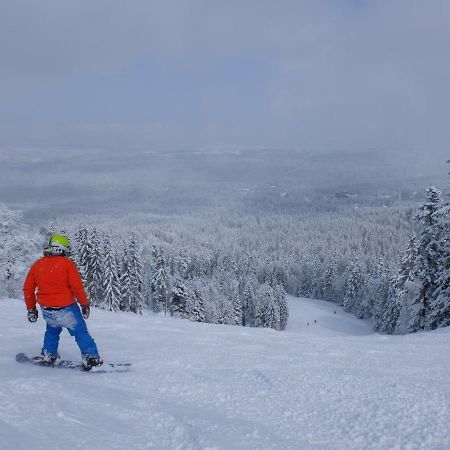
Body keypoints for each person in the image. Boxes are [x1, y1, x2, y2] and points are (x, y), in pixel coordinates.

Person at [23, 234, 102, 370]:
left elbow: (28, 289)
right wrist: (84, 304)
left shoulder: (37, 265)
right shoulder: (67, 264)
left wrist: (31, 309)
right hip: (66, 308)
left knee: (52, 331)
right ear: (62, 249)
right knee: (80, 331)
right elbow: (77, 287)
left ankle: (49, 355)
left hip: (47, 309)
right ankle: (91, 358)